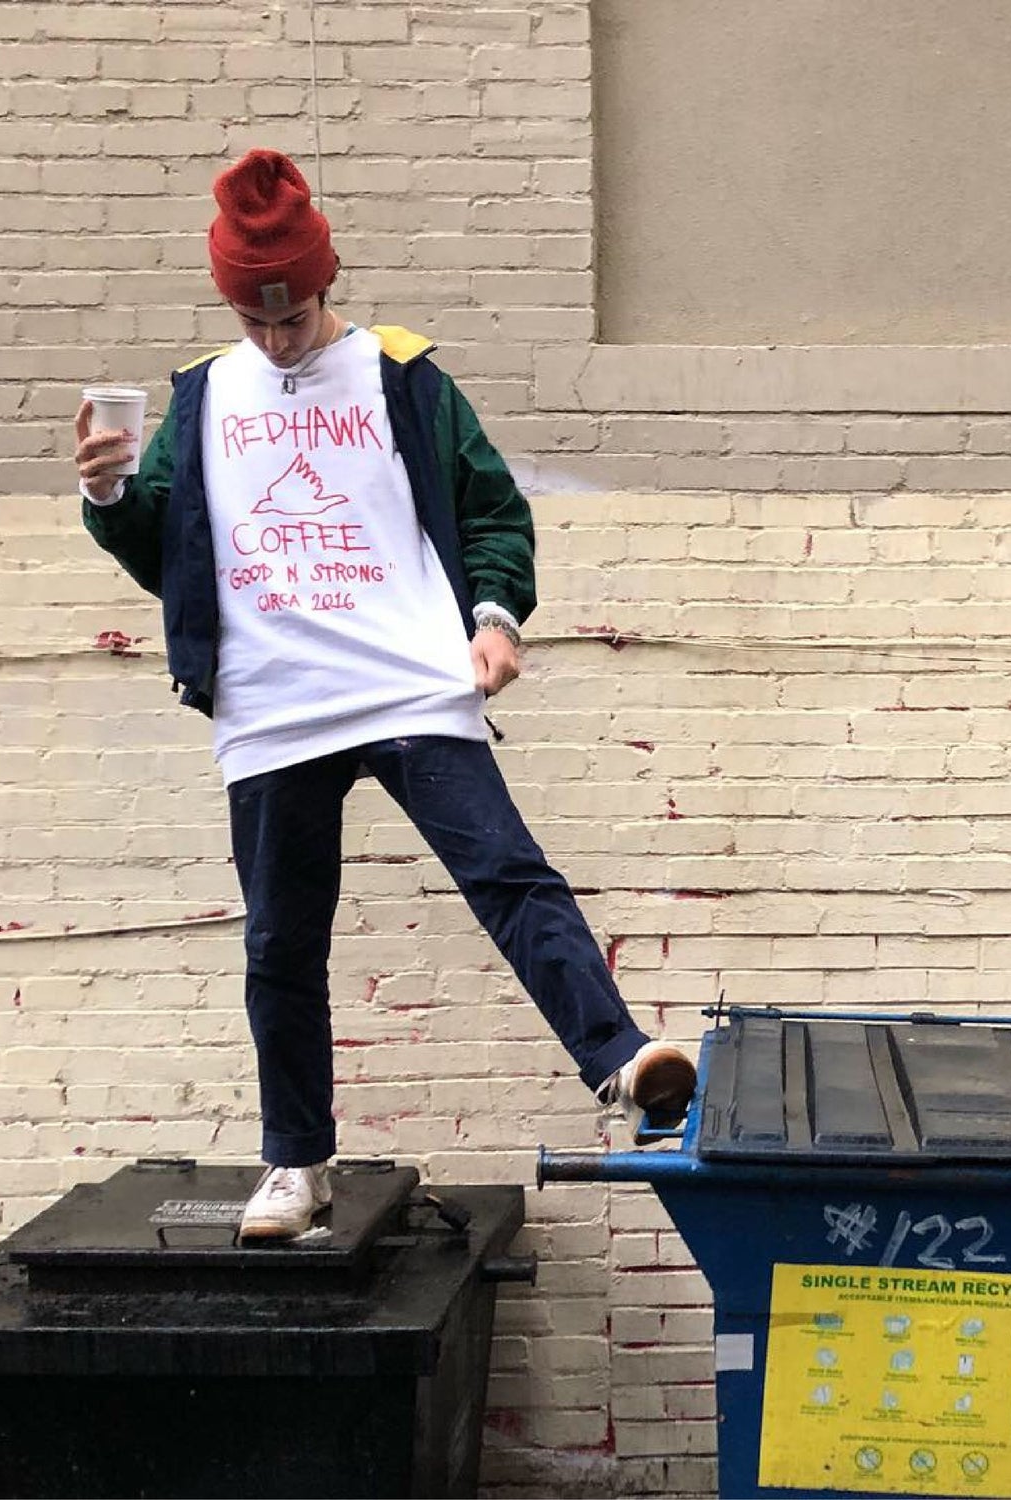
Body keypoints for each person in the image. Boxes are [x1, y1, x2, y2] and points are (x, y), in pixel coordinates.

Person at [72, 148, 695, 1239]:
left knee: (507, 869)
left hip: (409, 681)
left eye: (297, 315)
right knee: (282, 942)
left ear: (329, 281)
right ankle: (296, 1165)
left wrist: (496, 620)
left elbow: (493, 509)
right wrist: (113, 493)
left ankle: (623, 1060)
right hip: (272, 702)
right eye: (258, 322)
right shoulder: (202, 397)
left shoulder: (402, 377)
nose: (278, 339)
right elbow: (163, 552)